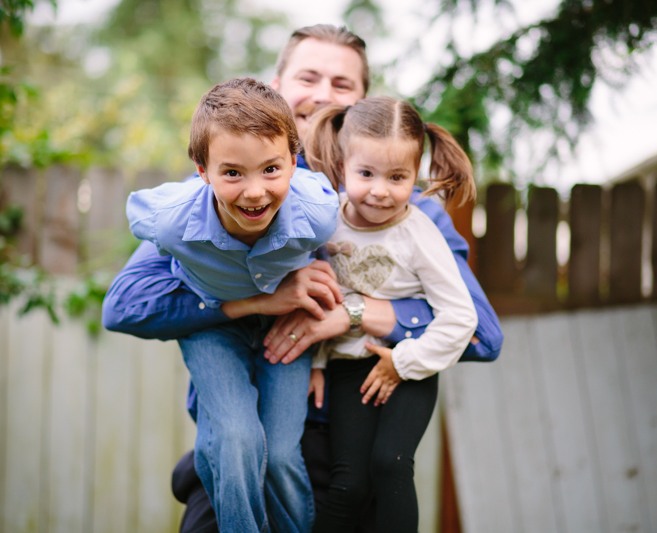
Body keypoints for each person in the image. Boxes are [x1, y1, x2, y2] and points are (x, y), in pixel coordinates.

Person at [102, 24, 504, 533]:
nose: (322, 94)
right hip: (242, 443)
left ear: (361, 102)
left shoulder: (408, 213)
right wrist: (250, 299)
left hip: (349, 450)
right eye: (308, 77)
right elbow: (128, 302)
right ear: (277, 87)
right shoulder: (224, 194)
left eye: (342, 84)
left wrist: (351, 314)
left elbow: (482, 334)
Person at [127, 77, 340, 533]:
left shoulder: (317, 214)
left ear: (294, 162)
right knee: (234, 438)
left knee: (279, 454)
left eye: (271, 169)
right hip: (214, 330)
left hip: (284, 326)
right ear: (202, 171)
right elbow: (137, 225)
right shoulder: (170, 223)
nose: (255, 192)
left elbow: (322, 253)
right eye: (232, 173)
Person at [304, 97, 477, 532]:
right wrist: (318, 363)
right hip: (348, 369)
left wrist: (403, 362)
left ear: (415, 175)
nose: (380, 190)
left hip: (410, 367)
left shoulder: (418, 233)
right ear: (342, 166)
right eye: (366, 174)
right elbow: (322, 297)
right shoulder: (326, 222)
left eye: (397, 177)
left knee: (390, 464)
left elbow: (461, 317)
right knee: (349, 486)